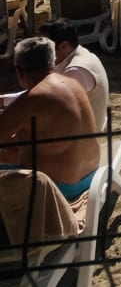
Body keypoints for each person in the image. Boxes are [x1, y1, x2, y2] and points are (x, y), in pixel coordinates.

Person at [0, 38, 99, 201]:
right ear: (53, 61)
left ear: (19, 71)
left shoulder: (32, 99)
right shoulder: (73, 84)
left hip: (58, 187)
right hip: (90, 176)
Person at [40, 19, 109, 134]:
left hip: (84, 138)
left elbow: (53, 106)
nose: (42, 52)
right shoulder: (80, 53)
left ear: (64, 46)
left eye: (46, 48)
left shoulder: (75, 71)